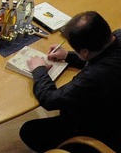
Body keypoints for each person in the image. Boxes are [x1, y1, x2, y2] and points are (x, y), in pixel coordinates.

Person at [19, 11, 121, 153]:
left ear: (85, 52)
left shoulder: (94, 77)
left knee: (29, 131)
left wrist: (39, 70)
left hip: (104, 129)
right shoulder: (116, 36)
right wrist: (68, 55)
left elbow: (50, 99)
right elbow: (103, 55)